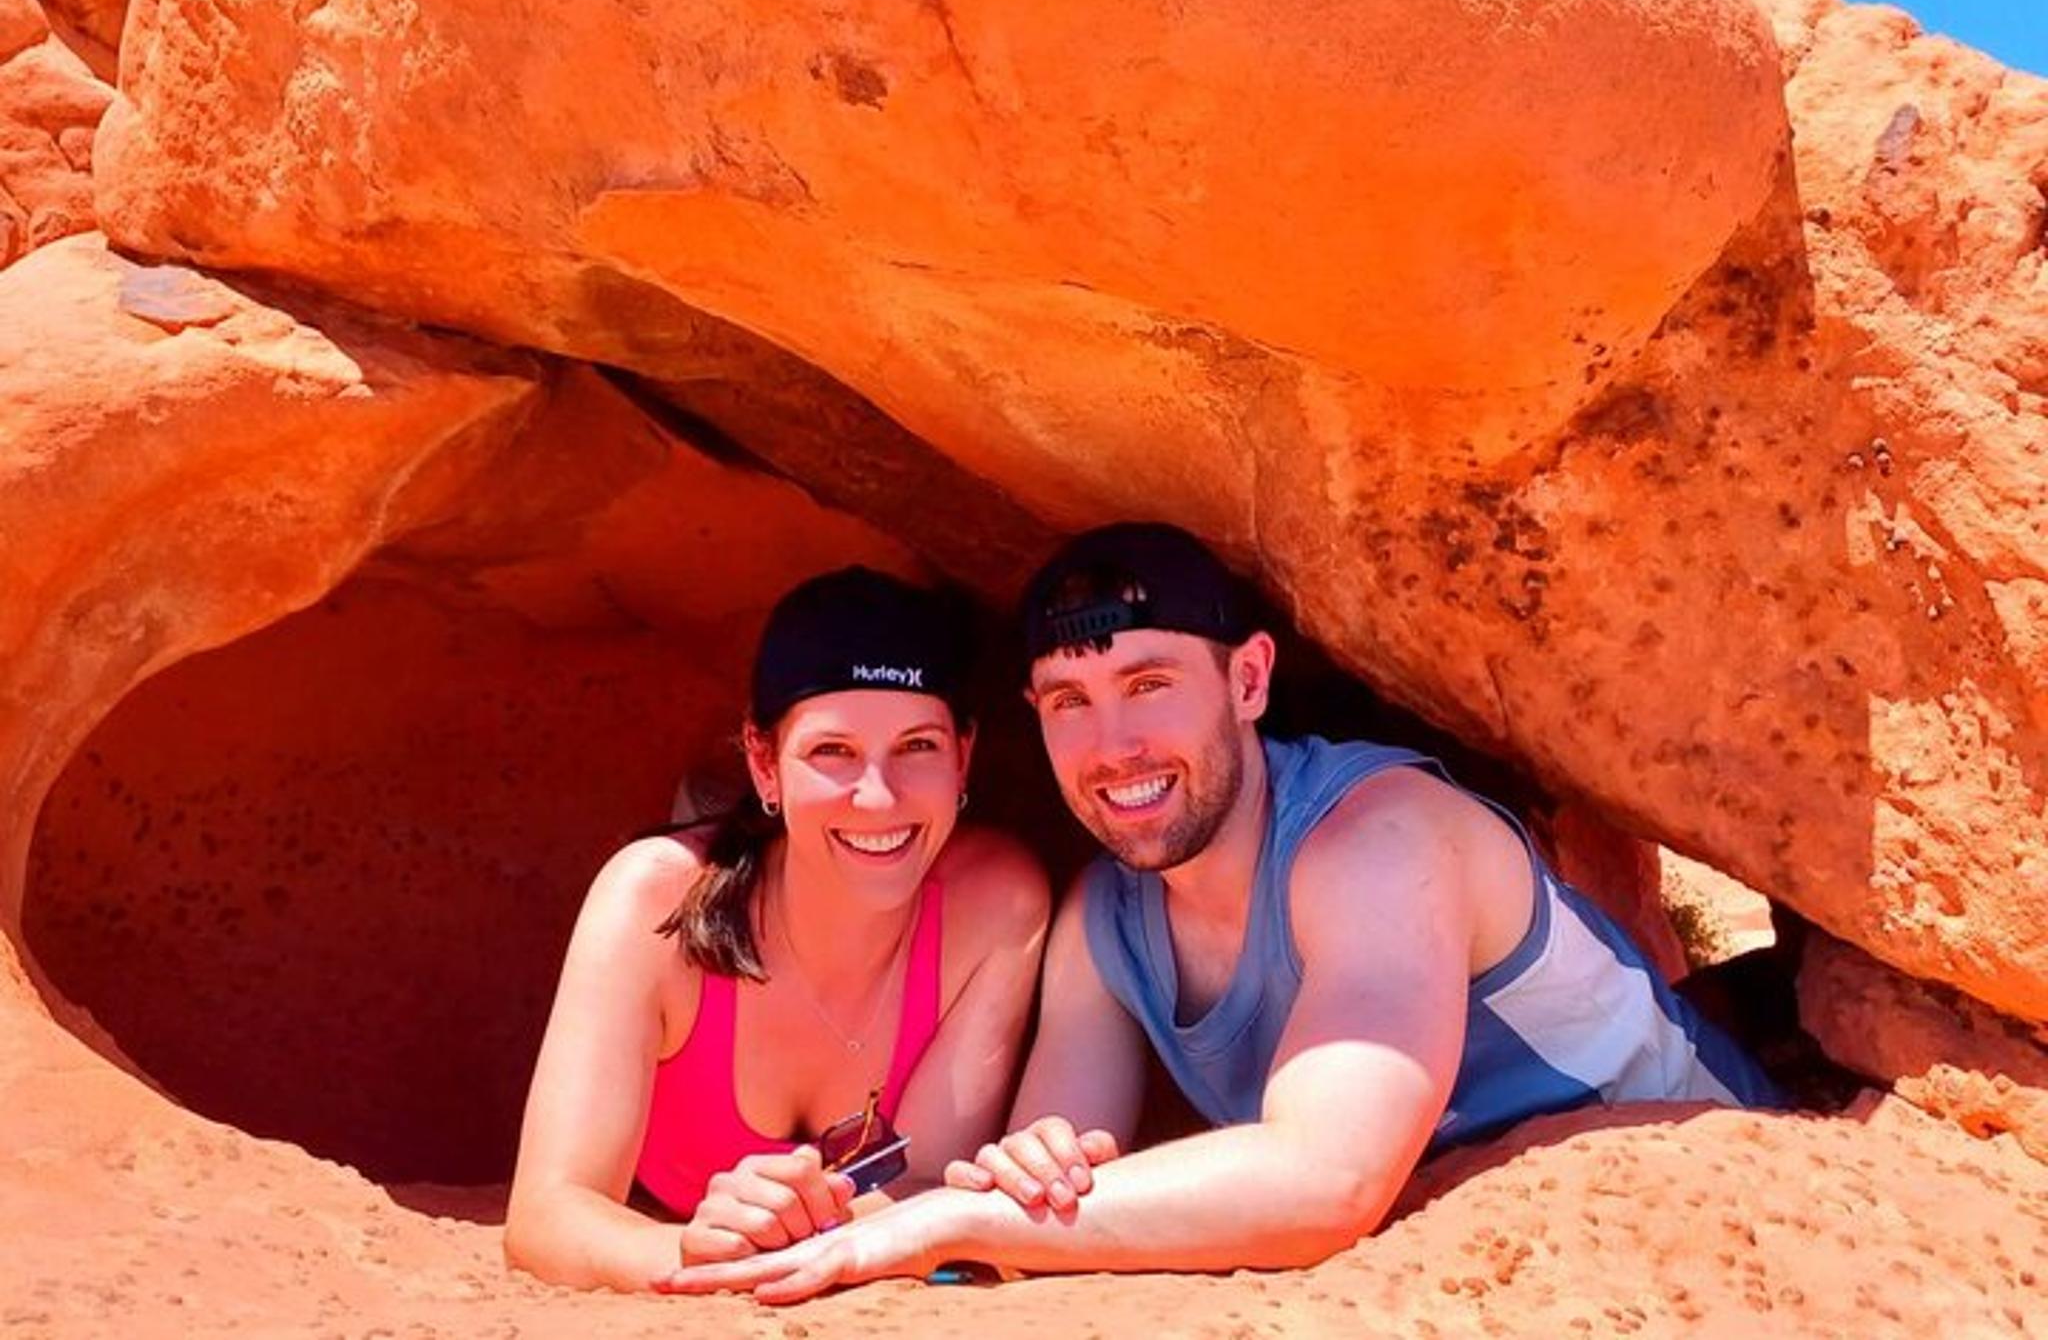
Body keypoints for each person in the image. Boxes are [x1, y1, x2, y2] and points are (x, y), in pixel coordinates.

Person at [660, 523, 1782, 1303]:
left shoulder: (1374, 840)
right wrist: (944, 1196)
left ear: (1247, 682)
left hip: (1722, 1211)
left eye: (1149, 685)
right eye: (1069, 703)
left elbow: (1325, 1180)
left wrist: (951, 1222)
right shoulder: (1106, 920)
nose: (1112, 749)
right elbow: (1041, 1176)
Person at [504, 567, 1050, 1291]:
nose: (878, 796)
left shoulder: (996, 907)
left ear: (964, 756)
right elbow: (547, 1213)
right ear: (763, 761)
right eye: (833, 751)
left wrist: (798, 1244)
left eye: (918, 746)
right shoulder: (655, 904)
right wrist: (693, 1254)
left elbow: (927, 1182)